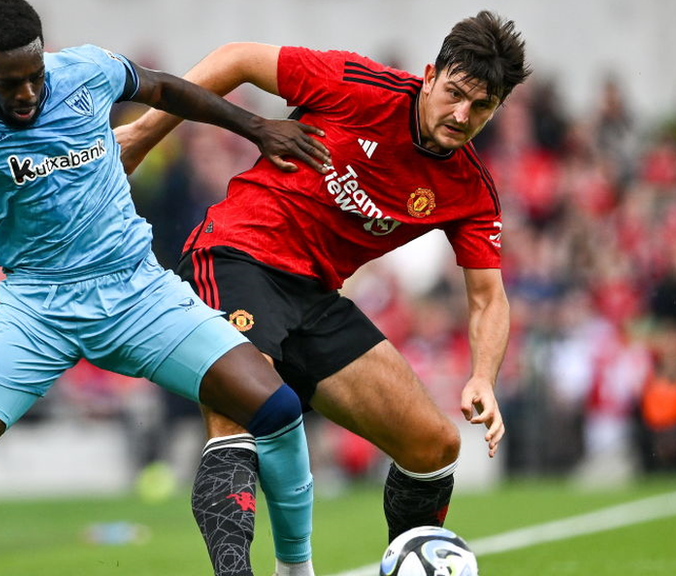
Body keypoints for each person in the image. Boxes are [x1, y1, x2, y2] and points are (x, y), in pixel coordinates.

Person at [0, 1, 333, 574]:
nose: (27, 92)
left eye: (35, 75)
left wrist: (253, 126)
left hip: (136, 291)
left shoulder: (85, 71)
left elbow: (164, 90)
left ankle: (296, 568)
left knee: (276, 406)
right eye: (10, 83)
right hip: (38, 309)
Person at [116, 11, 530, 575]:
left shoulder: (469, 190)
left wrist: (483, 374)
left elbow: (488, 297)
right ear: (430, 75)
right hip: (238, 255)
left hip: (313, 297)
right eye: (454, 94)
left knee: (434, 446)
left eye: (481, 107)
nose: (462, 116)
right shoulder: (356, 84)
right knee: (242, 411)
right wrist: (141, 134)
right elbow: (235, 57)